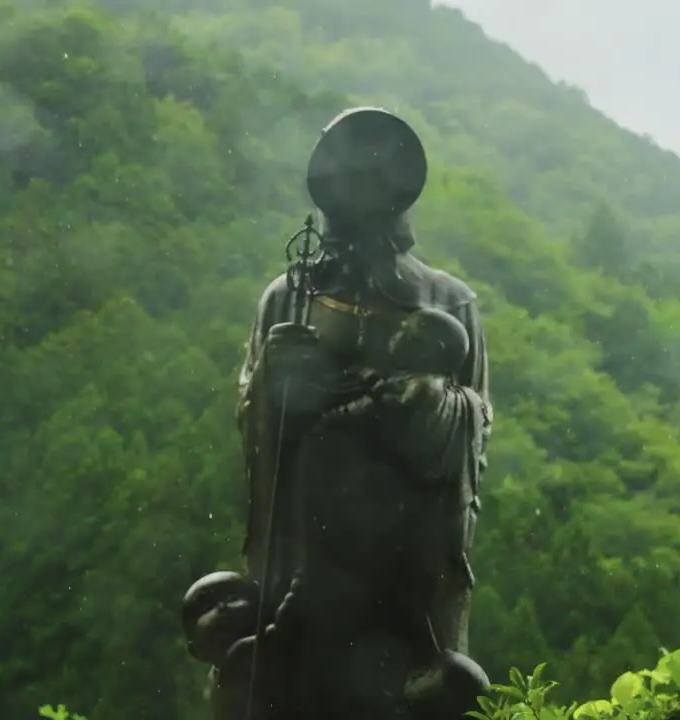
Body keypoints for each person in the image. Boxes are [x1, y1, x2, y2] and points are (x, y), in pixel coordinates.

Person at [182, 107, 493, 720]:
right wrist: (277, 380)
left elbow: (476, 424)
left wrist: (432, 406)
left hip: (409, 545)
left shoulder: (447, 299)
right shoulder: (288, 296)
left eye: (375, 179)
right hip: (305, 533)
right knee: (297, 680)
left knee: (409, 690)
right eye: (345, 178)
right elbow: (252, 410)